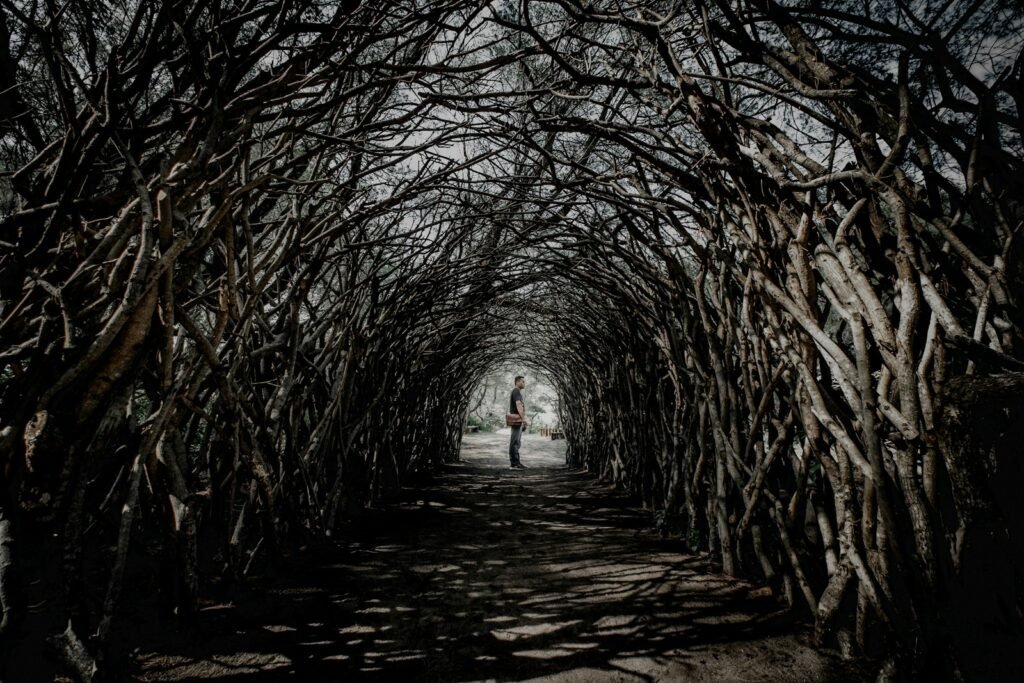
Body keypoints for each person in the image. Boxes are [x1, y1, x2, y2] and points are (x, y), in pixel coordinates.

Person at [509, 376, 528, 469]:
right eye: (522, 381)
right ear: (517, 382)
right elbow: (518, 404)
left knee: (517, 441)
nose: (524, 383)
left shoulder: (517, 391)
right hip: (517, 420)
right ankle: (515, 463)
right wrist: (523, 419)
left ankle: (515, 463)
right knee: (515, 442)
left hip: (518, 419)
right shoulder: (516, 391)